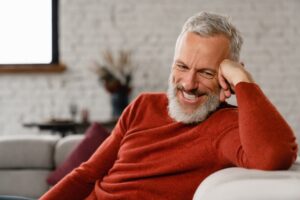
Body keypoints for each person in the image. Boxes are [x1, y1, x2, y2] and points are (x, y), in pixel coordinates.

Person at [41, 11, 298, 200]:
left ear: (225, 78)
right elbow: (87, 174)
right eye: (182, 66)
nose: (188, 83)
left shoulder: (227, 125)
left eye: (207, 73)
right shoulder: (143, 105)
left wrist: (243, 80)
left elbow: (273, 156)